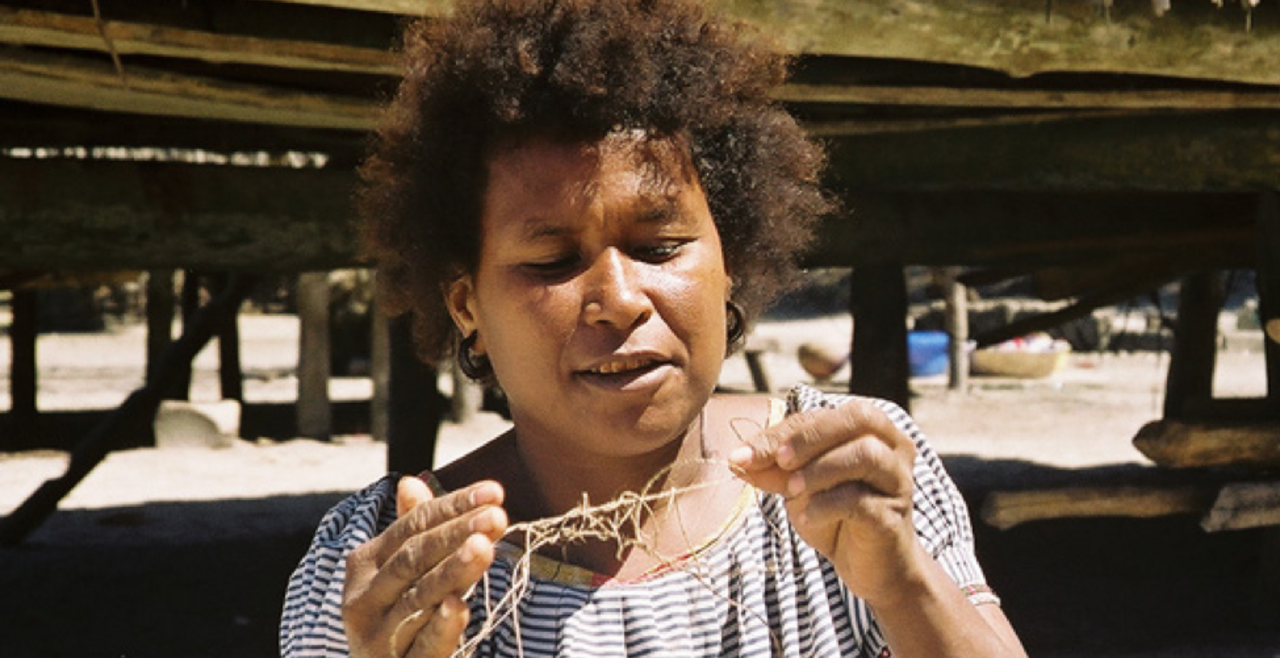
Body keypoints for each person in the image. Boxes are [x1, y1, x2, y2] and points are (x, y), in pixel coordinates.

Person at [281, 0, 1027, 656]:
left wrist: (902, 583)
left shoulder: (853, 477)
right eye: (552, 260)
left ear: (728, 260)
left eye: (660, 247)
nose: (620, 298)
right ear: (465, 306)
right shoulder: (377, 570)